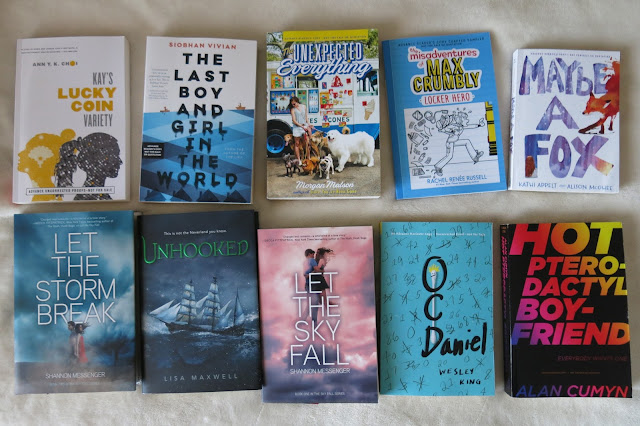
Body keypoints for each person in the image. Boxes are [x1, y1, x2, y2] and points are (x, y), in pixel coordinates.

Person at [55, 132, 123, 200]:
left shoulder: (94, 195)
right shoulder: (90, 197)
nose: (120, 161)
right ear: (94, 160)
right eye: (113, 156)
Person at [288, 96, 313, 161]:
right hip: (297, 127)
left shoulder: (304, 107)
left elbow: (306, 117)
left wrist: (309, 124)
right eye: (292, 104)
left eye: (294, 104)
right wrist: (301, 126)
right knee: (297, 143)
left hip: (304, 126)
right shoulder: (293, 110)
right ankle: (298, 160)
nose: (294, 105)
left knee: (308, 143)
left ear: (297, 101)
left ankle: (308, 158)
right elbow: (294, 120)